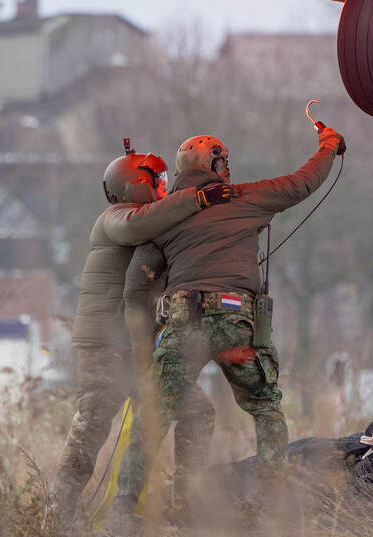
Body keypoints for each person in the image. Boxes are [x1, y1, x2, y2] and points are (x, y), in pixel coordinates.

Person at [105, 124, 345, 533]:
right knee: (265, 406)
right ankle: (274, 506)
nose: (227, 167)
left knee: (154, 417)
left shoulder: (167, 213)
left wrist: (141, 345)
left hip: (184, 325)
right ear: (213, 164)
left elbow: (138, 284)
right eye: (223, 160)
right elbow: (304, 182)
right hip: (238, 323)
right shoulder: (246, 197)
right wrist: (327, 146)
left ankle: (124, 512)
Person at [50, 144, 233, 534]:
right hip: (105, 349)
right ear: (135, 187)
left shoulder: (156, 226)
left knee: (197, 413)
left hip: (139, 350)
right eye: (157, 181)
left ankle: (186, 510)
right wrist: (196, 199)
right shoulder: (115, 219)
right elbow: (140, 225)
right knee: (90, 435)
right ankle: (54, 523)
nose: (164, 187)